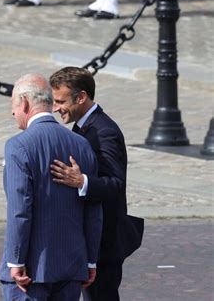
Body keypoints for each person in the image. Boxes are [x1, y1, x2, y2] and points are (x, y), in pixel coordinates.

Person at [0, 73, 103, 300]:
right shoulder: (81, 144)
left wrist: (16, 261)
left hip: (31, 270)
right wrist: (90, 260)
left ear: (25, 103)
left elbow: (20, 210)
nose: (13, 113)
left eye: (14, 105)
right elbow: (93, 208)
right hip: (71, 265)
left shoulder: (18, 146)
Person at [49, 67, 133, 300]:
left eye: (60, 101)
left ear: (81, 97)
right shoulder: (82, 126)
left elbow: (116, 183)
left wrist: (81, 181)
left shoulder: (105, 131)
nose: (55, 108)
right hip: (91, 238)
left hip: (106, 240)